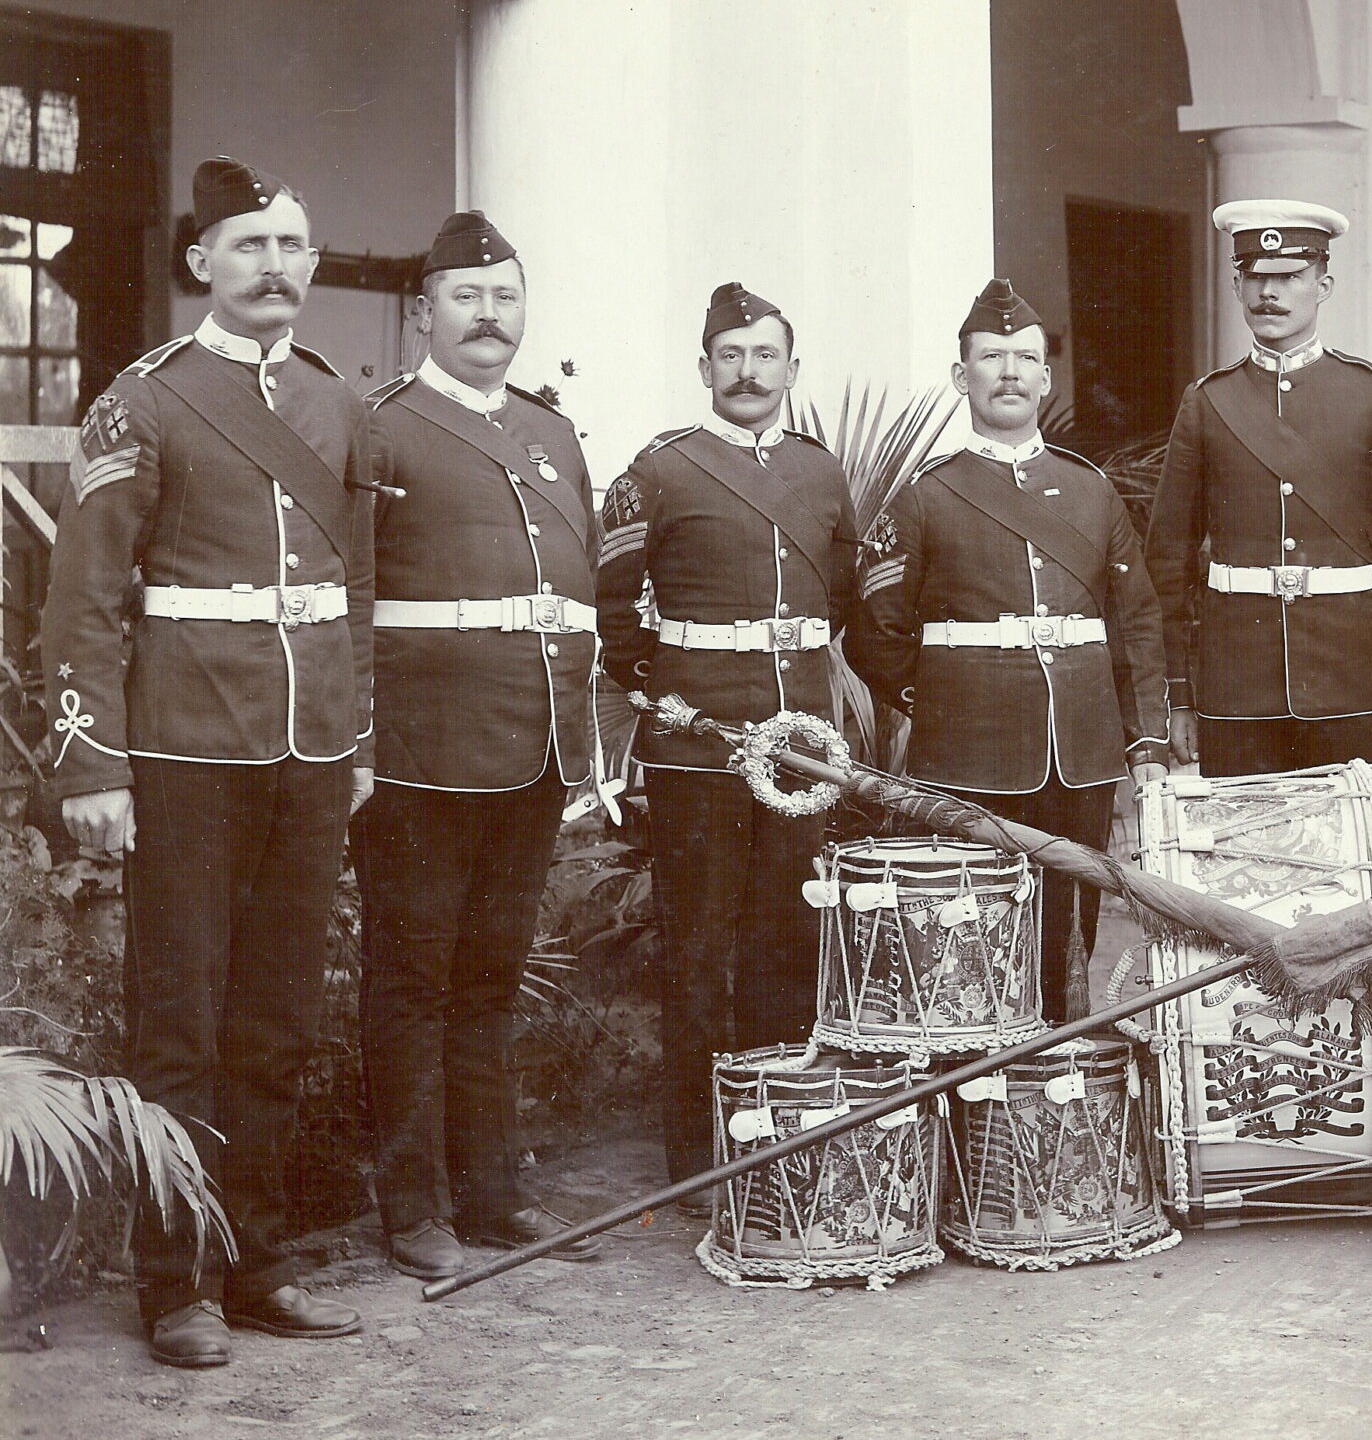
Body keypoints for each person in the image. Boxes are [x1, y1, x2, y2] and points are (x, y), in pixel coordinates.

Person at [41, 158, 371, 1368]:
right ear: (201, 265)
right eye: (248, 247)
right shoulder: (148, 401)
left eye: (291, 245)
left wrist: (361, 737)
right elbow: (82, 604)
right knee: (179, 1021)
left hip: (309, 746)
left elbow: (356, 587)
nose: (275, 267)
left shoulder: (338, 403)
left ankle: (260, 1259)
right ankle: (173, 1281)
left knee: (278, 1018)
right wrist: (92, 768)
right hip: (182, 745)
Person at [354, 212, 606, 1279]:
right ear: (423, 314)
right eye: (466, 296)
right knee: (412, 980)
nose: (489, 315)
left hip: (534, 746)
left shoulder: (552, 437)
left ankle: (494, 1193)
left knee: (492, 979)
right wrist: (357, 742)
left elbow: (577, 597)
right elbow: (352, 593)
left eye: (504, 296)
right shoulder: (383, 426)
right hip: (421, 752)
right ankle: (415, 1209)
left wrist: (586, 745)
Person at [596, 282, 862, 1190]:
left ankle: (776, 1136)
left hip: (798, 749)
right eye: (731, 356)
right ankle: (697, 1155)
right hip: (698, 741)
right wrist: (657, 693)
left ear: (793, 367)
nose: (749, 373)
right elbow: (613, 606)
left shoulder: (822, 472)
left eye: (766, 356)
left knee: (787, 937)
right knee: (701, 945)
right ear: (704, 367)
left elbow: (845, 593)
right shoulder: (659, 468)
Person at [853, 280, 1170, 1020]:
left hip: (1081, 752)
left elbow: (1138, 621)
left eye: (1026, 357)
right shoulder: (926, 494)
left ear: (1046, 378)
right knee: (971, 930)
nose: (1010, 371)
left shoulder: (1090, 490)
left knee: (1071, 932)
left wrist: (1146, 736)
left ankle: (1056, 1078)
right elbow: (875, 630)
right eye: (991, 357)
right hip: (969, 754)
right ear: (961, 376)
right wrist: (942, 700)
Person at [1146, 200, 1372, 785]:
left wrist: (1364, 570)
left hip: (1350, 666)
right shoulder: (1208, 402)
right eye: (1255, 276)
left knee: (1354, 848)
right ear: (1236, 285)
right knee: (1245, 852)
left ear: (1322, 285)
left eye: (1288, 277)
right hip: (1237, 675)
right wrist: (1179, 694)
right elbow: (1167, 559)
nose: (1269, 293)